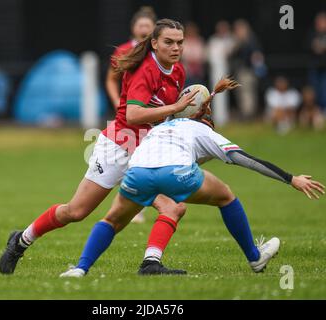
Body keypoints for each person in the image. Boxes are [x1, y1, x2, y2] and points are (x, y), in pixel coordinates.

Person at [59, 78, 325, 277]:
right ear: (201, 114)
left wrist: (210, 93)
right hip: (177, 173)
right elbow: (247, 160)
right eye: (207, 108)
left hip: (137, 171)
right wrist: (291, 179)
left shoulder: (162, 125)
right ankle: (255, 258)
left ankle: (80, 269)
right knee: (225, 195)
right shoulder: (204, 131)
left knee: (112, 220)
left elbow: (178, 121)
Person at [0, 19, 199, 275]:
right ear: (154, 43)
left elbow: (163, 116)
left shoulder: (178, 72)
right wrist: (175, 109)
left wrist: (191, 115)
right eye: (168, 42)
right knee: (76, 211)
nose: (175, 48)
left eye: (180, 42)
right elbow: (133, 115)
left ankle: (151, 264)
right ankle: (21, 240)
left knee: (173, 206)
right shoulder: (145, 70)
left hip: (145, 151)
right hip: (118, 146)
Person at [105, 6, 157, 224]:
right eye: (140, 25)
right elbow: (111, 79)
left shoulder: (162, 53)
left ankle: (138, 205)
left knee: (147, 160)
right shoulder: (124, 50)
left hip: (154, 118)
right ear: (133, 28)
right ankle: (133, 207)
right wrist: (119, 103)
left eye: (148, 25)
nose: (144, 29)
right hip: (130, 117)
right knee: (132, 158)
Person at [309, 12, 326, 114]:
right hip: (315, 68)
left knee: (325, 91)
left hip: (325, 68)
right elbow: (308, 46)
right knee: (315, 91)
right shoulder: (312, 33)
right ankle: (317, 111)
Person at [181, 22, 206, 86]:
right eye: (189, 31)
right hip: (187, 71)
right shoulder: (183, 41)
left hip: (198, 71)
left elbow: (203, 54)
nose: (191, 32)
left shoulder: (200, 40)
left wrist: (196, 60)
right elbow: (183, 55)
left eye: (193, 31)